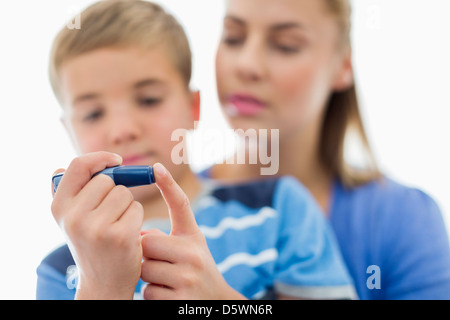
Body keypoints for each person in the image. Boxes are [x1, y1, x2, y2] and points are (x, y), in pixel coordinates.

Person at [36, 0, 356, 300]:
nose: (122, 130)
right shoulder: (60, 271)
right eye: (93, 114)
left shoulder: (279, 209)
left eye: (149, 100)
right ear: (69, 130)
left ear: (194, 108)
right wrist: (101, 286)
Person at [209, 0, 450, 299]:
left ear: (343, 65)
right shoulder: (167, 204)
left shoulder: (402, 220)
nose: (247, 65)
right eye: (233, 37)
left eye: (286, 46)